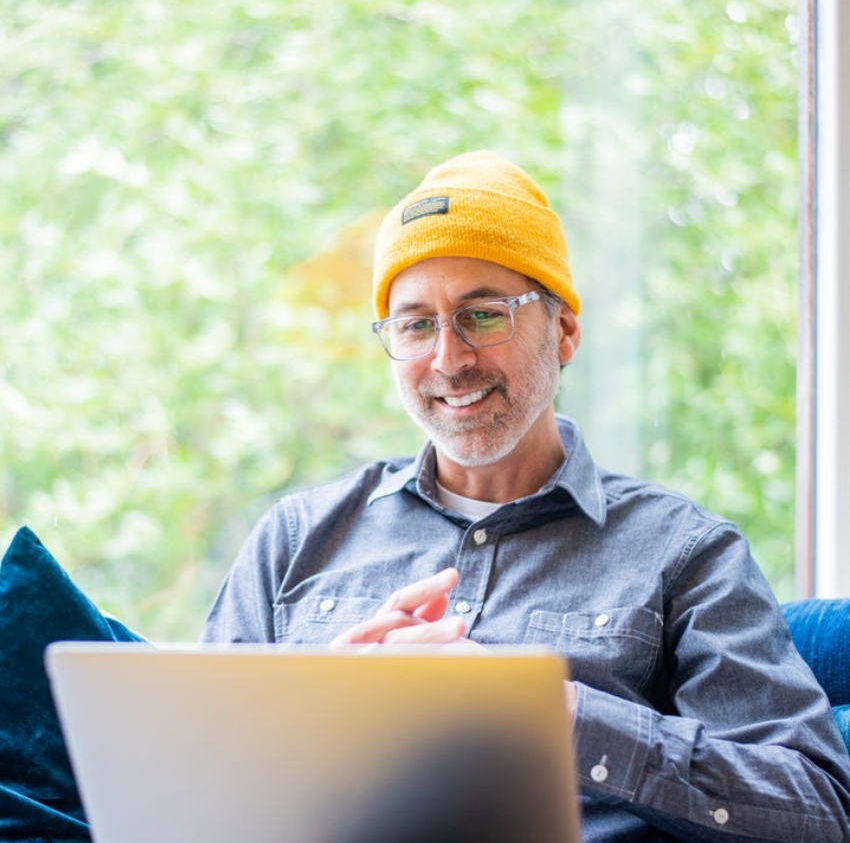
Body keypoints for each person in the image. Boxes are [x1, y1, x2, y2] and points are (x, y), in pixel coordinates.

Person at [201, 151, 850, 842]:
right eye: (416, 324)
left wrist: (546, 713)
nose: (449, 359)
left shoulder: (684, 554)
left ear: (564, 330)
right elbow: (189, 782)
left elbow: (815, 810)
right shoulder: (296, 539)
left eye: (482, 316)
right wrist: (308, 722)